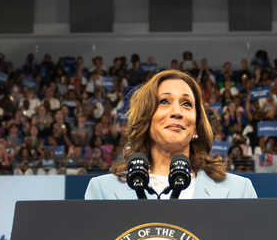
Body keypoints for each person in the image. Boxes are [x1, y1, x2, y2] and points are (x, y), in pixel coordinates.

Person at [84, 70, 257, 200]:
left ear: (196, 127)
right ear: (146, 118)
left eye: (186, 104)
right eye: (164, 101)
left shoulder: (239, 191)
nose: (177, 112)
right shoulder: (102, 191)